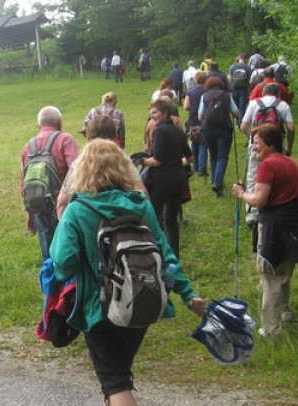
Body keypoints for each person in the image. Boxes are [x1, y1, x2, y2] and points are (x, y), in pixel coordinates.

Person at [50, 139, 206, 406]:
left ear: (84, 170)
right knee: (117, 376)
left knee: (115, 381)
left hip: (99, 308)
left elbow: (63, 264)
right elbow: (165, 253)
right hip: (141, 301)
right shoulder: (141, 204)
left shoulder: (78, 210)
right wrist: (187, 294)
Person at [232, 125, 298, 339]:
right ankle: (284, 311)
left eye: (257, 144)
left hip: (275, 226)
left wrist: (242, 194)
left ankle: (270, 330)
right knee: (283, 269)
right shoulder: (290, 162)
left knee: (271, 274)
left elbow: (260, 200)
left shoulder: (267, 165)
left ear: (271, 144)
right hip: (295, 224)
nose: (253, 148)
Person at [57, 115, 146, 218]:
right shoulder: (124, 160)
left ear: (89, 136)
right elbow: (143, 193)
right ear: (114, 135)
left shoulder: (79, 164)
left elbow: (62, 202)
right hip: (124, 223)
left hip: (87, 221)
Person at [21, 106, 79, 262]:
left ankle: (51, 284)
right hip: (65, 206)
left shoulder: (28, 147)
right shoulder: (65, 139)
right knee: (69, 250)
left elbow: (24, 185)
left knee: (48, 254)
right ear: (59, 123)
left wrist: (30, 215)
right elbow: (77, 172)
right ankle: (70, 285)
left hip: (39, 206)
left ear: (39, 125)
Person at [240, 83, 295, 238]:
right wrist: (289, 147)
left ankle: (252, 214)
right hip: (276, 148)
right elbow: (290, 128)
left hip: (256, 149)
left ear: (262, 93)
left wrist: (254, 141)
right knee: (278, 178)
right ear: (278, 93)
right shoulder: (282, 105)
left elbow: (243, 125)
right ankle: (275, 204)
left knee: (253, 177)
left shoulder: (254, 103)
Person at [141, 97, 193, 258]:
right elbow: (190, 158)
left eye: (154, 113)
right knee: (171, 220)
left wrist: (140, 160)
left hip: (162, 181)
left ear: (164, 113)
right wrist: (177, 162)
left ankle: (153, 252)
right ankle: (173, 256)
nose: (152, 116)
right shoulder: (178, 131)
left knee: (153, 216)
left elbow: (157, 160)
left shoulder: (160, 131)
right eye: (151, 113)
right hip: (178, 178)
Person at [198, 76, 240, 196]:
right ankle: (217, 182)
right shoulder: (227, 95)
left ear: (208, 86)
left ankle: (215, 182)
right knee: (222, 156)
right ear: (221, 85)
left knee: (213, 155)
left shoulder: (204, 96)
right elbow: (236, 113)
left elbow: (200, 117)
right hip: (224, 129)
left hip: (207, 129)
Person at [184, 71, 209, 176]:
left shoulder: (190, 91)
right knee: (203, 143)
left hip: (193, 118)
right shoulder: (208, 91)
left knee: (194, 141)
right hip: (204, 119)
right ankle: (202, 168)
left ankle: (194, 165)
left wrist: (193, 108)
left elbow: (186, 106)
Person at [228, 53, 253, 127]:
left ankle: (237, 121)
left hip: (234, 89)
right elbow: (250, 80)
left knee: (235, 106)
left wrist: (230, 88)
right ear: (245, 59)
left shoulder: (232, 67)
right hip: (244, 89)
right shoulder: (248, 68)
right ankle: (240, 124)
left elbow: (229, 79)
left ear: (239, 58)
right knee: (242, 107)